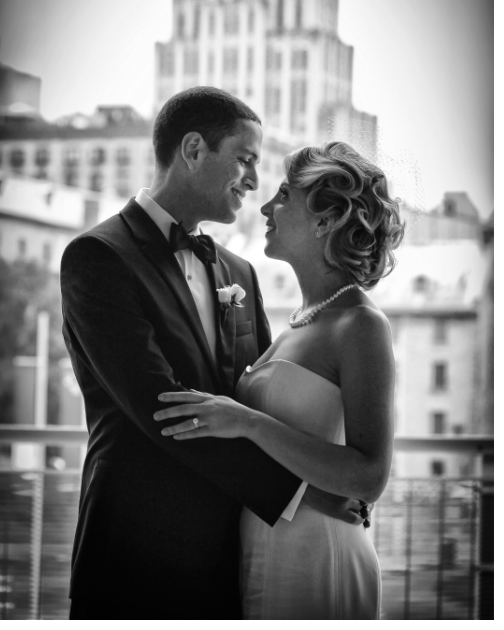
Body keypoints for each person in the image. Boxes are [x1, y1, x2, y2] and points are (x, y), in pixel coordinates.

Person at [60, 87, 365, 619]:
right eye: (245, 159)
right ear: (195, 150)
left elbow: (262, 397)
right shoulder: (97, 257)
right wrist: (300, 494)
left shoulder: (239, 272)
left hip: (232, 559)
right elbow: (163, 409)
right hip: (134, 558)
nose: (253, 179)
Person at [154, 141, 403, 618]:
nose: (266, 206)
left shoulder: (361, 325)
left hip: (319, 554)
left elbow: (369, 477)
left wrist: (247, 422)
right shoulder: (300, 319)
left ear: (326, 219)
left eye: (285, 195)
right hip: (262, 542)